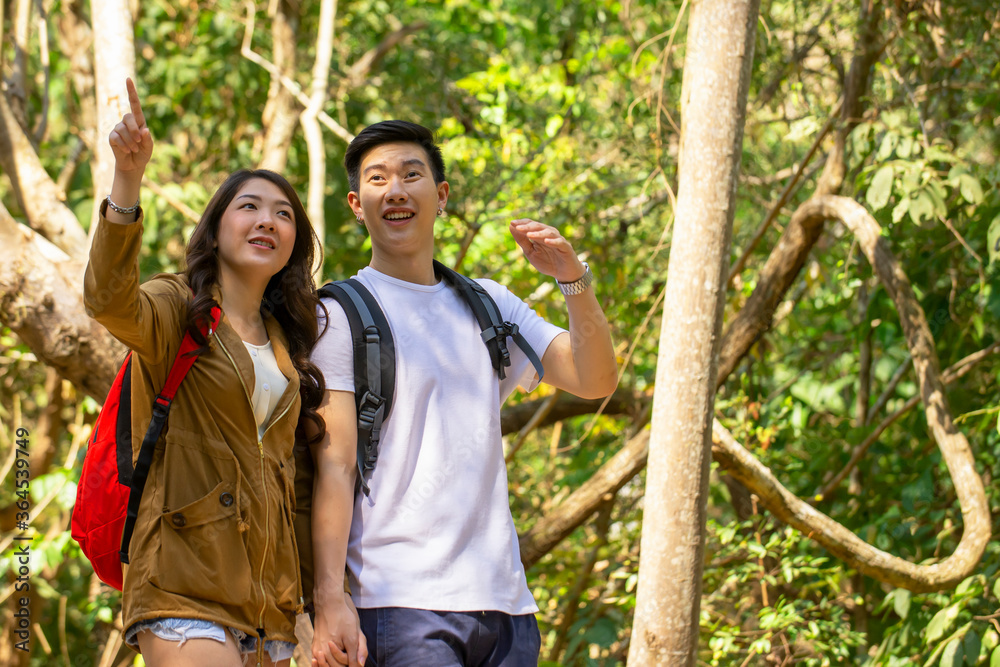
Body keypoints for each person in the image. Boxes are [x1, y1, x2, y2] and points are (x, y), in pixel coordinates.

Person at [308, 120, 618, 666]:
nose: (396, 190)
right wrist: (329, 597)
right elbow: (335, 466)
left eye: (412, 175)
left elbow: (594, 380)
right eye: (378, 179)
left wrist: (573, 279)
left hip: (505, 605)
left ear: (442, 195)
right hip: (398, 601)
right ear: (357, 205)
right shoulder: (337, 315)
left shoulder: (489, 304)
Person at [83, 79, 356, 667]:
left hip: (268, 605)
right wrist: (127, 179)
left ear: (294, 244)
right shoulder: (176, 307)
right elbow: (107, 299)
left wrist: (320, 603)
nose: (267, 221)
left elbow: (294, 487)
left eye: (283, 214)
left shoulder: (288, 348)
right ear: (215, 228)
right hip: (180, 581)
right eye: (249, 207)